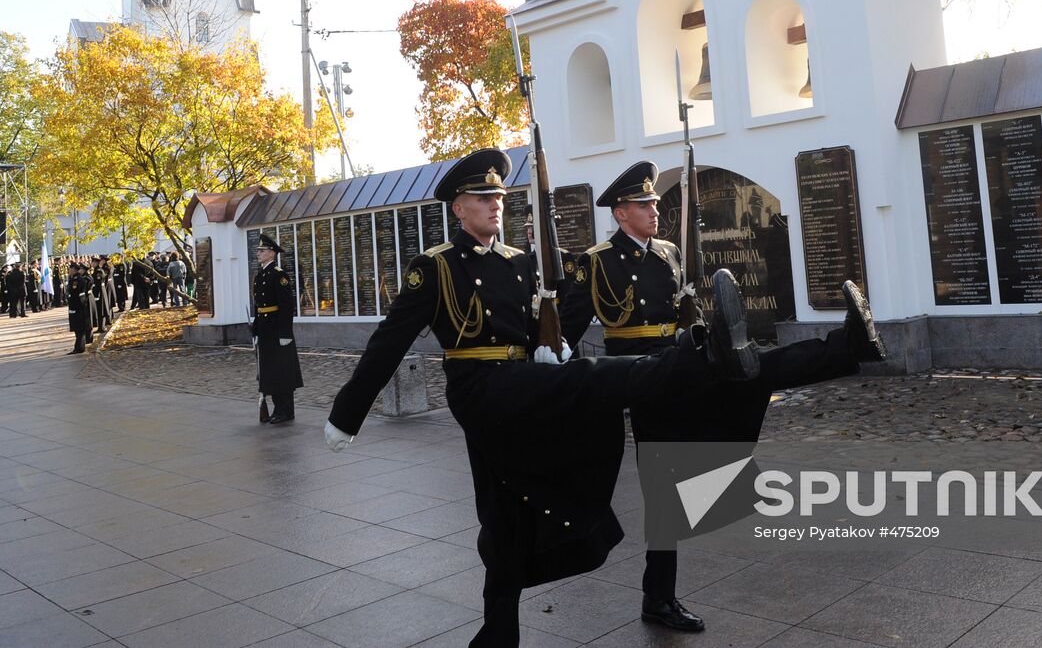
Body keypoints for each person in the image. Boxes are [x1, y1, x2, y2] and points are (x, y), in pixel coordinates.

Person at [325, 148, 762, 646]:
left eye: (499, 196)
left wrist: (549, 345)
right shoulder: (437, 267)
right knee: (588, 384)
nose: (496, 205)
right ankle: (698, 355)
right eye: (483, 197)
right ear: (458, 208)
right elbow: (390, 338)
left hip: (523, 388)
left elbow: (537, 330)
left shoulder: (518, 264)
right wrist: (347, 413)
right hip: (481, 392)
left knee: (508, 512)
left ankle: (498, 635)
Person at [558, 161, 887, 634]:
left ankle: (850, 345)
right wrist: (559, 379)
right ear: (620, 213)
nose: (654, 210)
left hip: (682, 360)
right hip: (641, 377)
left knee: (755, 371)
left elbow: (682, 312)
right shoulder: (595, 261)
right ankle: (660, 598)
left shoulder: (670, 251)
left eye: (654, 203)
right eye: (644, 205)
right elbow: (565, 338)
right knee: (661, 491)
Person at [251, 235, 302, 424]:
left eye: (261, 251)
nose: (258, 253)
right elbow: (258, 307)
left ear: (271, 253)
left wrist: (285, 333)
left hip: (277, 330)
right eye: (258, 251)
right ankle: (276, 409)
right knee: (270, 371)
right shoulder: (261, 275)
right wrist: (256, 330)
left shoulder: (278, 274)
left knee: (282, 371)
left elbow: (287, 306)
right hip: (265, 329)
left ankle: (285, 410)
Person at [66, 262, 94, 353]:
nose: (68, 270)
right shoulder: (73, 278)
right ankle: (78, 347)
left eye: (70, 269)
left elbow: (79, 295)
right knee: (77, 328)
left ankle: (79, 348)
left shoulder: (78, 280)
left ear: (74, 269)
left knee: (79, 328)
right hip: (74, 306)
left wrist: (78, 307)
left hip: (77, 307)